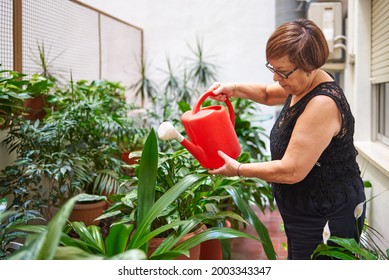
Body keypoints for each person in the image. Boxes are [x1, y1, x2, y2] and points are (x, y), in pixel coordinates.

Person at [207, 18, 366, 260]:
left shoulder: (322, 104)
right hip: (307, 208)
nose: (276, 79)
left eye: (282, 72)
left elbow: (292, 170)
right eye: (273, 69)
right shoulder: (302, 83)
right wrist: (235, 88)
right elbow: (267, 94)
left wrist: (238, 169)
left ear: (309, 67)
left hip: (327, 212)